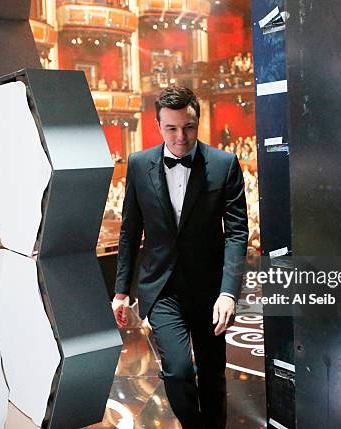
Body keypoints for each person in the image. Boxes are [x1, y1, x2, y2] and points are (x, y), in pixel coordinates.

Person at [112, 86, 248, 429]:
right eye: (171, 128)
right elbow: (130, 232)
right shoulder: (140, 165)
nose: (180, 137)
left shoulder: (224, 164)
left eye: (188, 127)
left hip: (211, 291)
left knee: (213, 375)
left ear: (197, 122)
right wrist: (121, 291)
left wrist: (229, 292)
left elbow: (235, 233)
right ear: (159, 126)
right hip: (162, 289)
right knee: (178, 371)